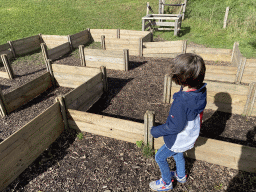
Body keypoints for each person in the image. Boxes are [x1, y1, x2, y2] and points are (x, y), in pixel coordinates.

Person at [149, 53, 207, 191]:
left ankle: (166, 183)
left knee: (160, 157)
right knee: (178, 154)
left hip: (178, 138)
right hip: (190, 135)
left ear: (180, 78)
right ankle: (181, 176)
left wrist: (155, 131)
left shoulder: (181, 102)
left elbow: (174, 126)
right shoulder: (200, 91)